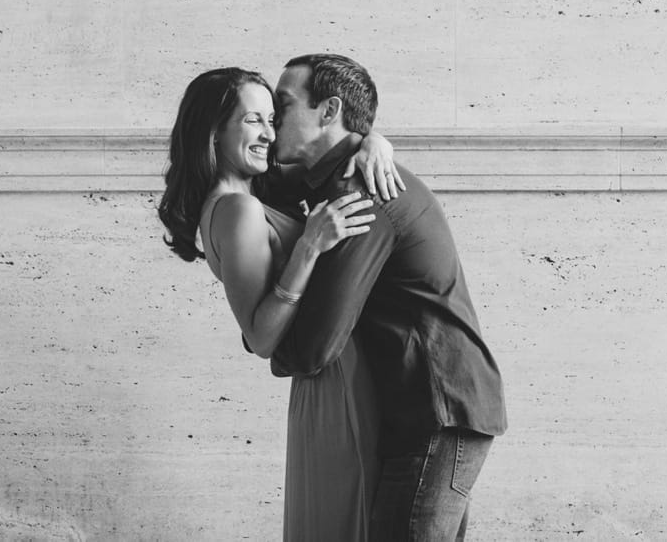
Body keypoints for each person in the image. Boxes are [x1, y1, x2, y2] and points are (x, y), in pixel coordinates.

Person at [158, 67, 403, 541]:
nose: (270, 134)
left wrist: (374, 140)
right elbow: (262, 335)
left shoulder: (252, 192)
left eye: (273, 119)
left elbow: (334, 140)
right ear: (214, 130)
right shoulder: (236, 209)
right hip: (334, 381)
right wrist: (309, 248)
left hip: (338, 370)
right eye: (255, 120)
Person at [269, 54, 508, 541]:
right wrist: (374, 138)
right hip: (432, 412)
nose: (272, 121)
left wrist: (274, 344)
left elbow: (315, 347)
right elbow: (252, 177)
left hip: (438, 413)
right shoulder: (332, 178)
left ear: (329, 110)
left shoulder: (362, 191)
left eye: (283, 105)